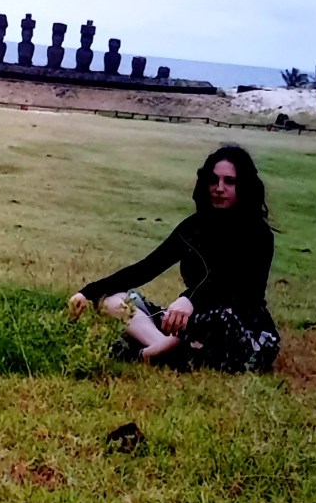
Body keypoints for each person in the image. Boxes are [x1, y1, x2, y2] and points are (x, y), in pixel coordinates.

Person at [68, 144, 280, 373]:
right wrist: (88, 292)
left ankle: (152, 352)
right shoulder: (194, 228)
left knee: (220, 318)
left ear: (244, 185)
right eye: (213, 180)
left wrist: (190, 300)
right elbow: (147, 268)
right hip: (190, 321)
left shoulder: (258, 234)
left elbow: (233, 285)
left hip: (239, 326)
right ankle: (163, 347)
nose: (219, 188)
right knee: (114, 301)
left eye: (229, 181)